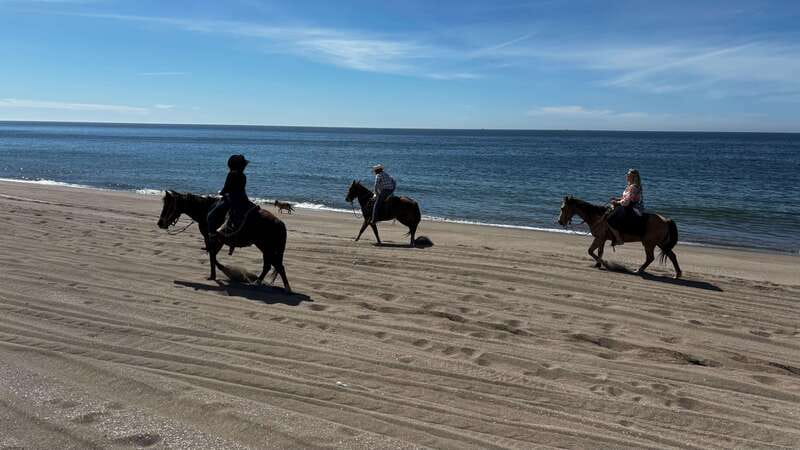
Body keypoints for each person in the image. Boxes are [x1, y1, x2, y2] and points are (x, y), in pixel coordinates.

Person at [207, 154, 250, 240]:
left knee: (211, 215)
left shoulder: (231, 174)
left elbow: (226, 188)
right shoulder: (243, 175)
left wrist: (221, 192)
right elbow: (240, 189)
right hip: (244, 199)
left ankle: (212, 234)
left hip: (232, 200)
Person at [606, 168, 645, 246]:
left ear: (633, 177)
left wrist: (616, 202)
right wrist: (618, 198)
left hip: (629, 207)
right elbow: (627, 197)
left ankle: (619, 239)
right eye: (627, 174)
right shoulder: (631, 186)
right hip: (628, 204)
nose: (626, 176)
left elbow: (627, 202)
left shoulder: (633, 187)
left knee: (609, 219)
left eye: (628, 175)